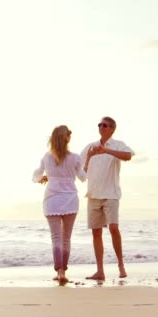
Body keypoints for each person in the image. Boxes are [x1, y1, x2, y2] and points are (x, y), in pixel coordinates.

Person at [80, 116, 134, 280]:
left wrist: (107, 151)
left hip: (111, 194)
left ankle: (121, 265)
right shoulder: (90, 146)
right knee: (96, 233)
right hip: (93, 195)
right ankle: (100, 271)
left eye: (104, 125)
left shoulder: (118, 144)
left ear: (112, 128)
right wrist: (90, 157)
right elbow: (82, 173)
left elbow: (128, 156)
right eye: (100, 125)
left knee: (113, 228)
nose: (101, 127)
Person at [33, 125, 86, 284]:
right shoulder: (76, 158)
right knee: (66, 238)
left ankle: (59, 272)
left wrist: (42, 178)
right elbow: (83, 177)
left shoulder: (47, 157)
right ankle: (63, 271)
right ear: (67, 137)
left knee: (56, 237)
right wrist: (87, 163)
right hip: (70, 200)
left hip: (52, 200)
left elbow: (37, 175)